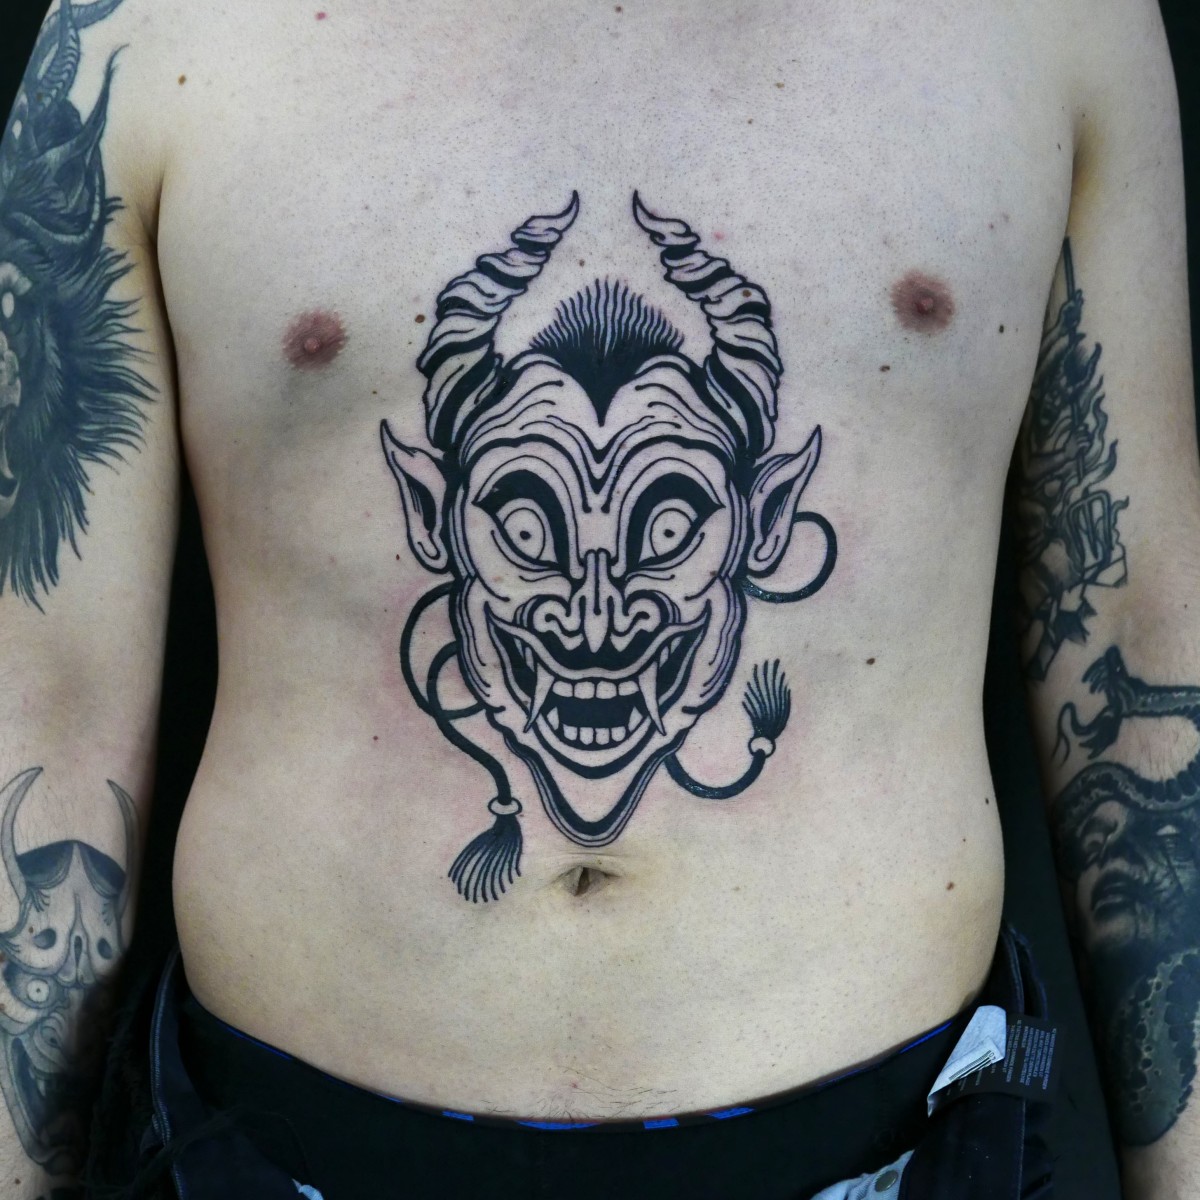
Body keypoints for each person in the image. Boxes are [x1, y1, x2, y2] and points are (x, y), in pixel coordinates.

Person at [0, 0, 1195, 1196]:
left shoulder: (1057, 23)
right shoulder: (146, 33)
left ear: (766, 517)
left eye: (667, 527)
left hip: (897, 1148)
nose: (595, 615)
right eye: (526, 526)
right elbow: (48, 697)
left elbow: (1143, 642)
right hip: (276, 1151)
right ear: (434, 508)